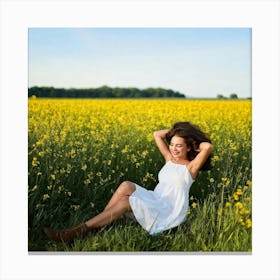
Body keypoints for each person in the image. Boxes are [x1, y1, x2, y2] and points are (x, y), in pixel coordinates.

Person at [44, 121, 212, 243]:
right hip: (156, 198)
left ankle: (77, 232)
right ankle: (101, 223)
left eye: (179, 146)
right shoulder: (169, 158)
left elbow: (207, 147)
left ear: (189, 147)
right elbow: (157, 134)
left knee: (126, 201)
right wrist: (177, 132)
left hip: (168, 209)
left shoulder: (191, 167)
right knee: (126, 185)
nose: (173, 149)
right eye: (172, 144)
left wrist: (191, 140)